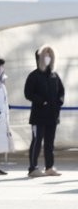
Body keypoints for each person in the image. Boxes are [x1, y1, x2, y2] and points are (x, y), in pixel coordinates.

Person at [23, 45, 65, 177]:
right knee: (37, 140)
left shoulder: (54, 75)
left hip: (52, 115)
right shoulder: (33, 76)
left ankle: (49, 167)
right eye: (45, 56)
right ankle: (33, 168)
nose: (48, 58)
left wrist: (59, 103)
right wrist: (41, 101)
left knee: (49, 142)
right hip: (38, 115)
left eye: (50, 56)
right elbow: (28, 93)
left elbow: (61, 91)